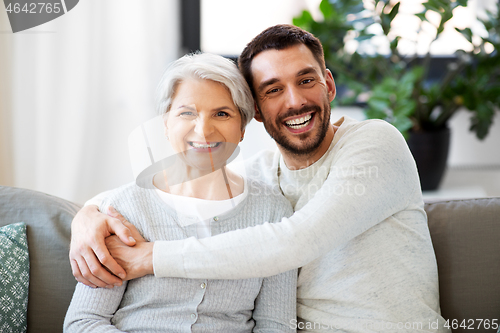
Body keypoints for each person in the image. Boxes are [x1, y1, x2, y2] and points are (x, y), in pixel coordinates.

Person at [70, 25, 449, 332]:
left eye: (305, 81)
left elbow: (297, 240)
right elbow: (179, 187)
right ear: (256, 112)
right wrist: (87, 215)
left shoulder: (374, 142)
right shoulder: (261, 174)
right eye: (273, 90)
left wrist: (151, 257)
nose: (294, 101)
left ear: (329, 85)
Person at [64, 52, 297, 332]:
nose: (204, 129)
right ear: (166, 123)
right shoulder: (121, 210)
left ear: (242, 127)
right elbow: (84, 322)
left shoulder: (274, 213)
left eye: (222, 114)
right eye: (187, 113)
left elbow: (276, 324)